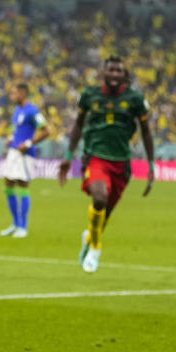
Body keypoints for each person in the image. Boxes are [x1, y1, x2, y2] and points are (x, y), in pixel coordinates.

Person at [58, 56, 154, 273]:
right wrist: (68, 155)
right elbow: (78, 125)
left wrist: (151, 164)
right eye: (111, 69)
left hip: (121, 163)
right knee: (99, 198)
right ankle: (96, 248)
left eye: (119, 71)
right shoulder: (89, 96)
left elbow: (146, 131)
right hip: (95, 157)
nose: (114, 74)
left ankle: (90, 238)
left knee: (105, 214)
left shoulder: (135, 99)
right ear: (103, 72)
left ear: (124, 75)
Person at [0, 83, 50, 238]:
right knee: (8, 184)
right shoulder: (16, 110)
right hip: (14, 152)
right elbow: (18, 131)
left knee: (23, 185)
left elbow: (46, 131)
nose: (12, 96)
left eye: (14, 93)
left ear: (23, 93)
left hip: (25, 154)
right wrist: (10, 139)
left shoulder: (32, 111)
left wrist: (28, 143)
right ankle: (15, 223)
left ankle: (23, 227)